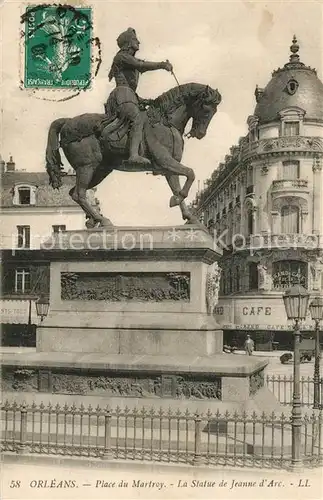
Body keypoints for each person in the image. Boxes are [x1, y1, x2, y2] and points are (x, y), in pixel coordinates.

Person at [106, 27, 173, 166]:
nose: (139, 43)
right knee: (137, 118)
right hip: (122, 95)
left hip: (128, 95)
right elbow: (140, 65)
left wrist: (144, 100)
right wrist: (162, 64)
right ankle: (133, 155)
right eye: (136, 40)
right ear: (129, 43)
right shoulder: (122, 56)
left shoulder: (127, 58)